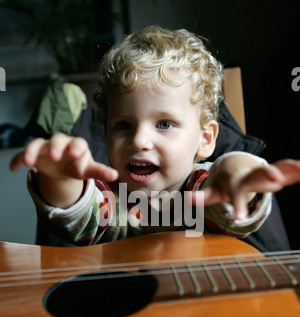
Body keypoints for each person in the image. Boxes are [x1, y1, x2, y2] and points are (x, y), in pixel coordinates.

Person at [10, 26, 300, 246]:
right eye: (123, 125)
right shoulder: (111, 199)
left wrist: (237, 175)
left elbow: (222, 189)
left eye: (164, 124)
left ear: (206, 138)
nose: (139, 141)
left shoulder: (200, 191)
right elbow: (77, 213)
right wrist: (59, 178)